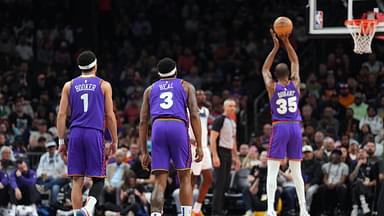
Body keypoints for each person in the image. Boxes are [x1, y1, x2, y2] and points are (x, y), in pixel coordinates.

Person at [139, 57, 203, 216]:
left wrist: (143, 152)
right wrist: (200, 144)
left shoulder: (150, 89)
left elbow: (142, 122)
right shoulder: (186, 86)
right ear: (175, 71)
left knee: (160, 181)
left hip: (158, 127)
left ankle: (155, 214)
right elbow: (194, 115)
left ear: (159, 74)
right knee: (185, 176)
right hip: (177, 126)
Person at [57, 51, 118, 216]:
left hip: (75, 133)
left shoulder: (68, 85)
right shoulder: (104, 85)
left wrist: (61, 141)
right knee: (99, 178)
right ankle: (88, 207)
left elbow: (61, 115)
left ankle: (78, 212)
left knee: (77, 180)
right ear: (95, 66)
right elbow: (110, 115)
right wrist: (114, 140)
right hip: (94, 133)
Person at [261, 29, 309, 216]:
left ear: (275, 74)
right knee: (297, 172)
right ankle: (303, 210)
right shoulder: (295, 83)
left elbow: (264, 69)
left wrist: (275, 48)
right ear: (289, 74)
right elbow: (295, 60)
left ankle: (270, 210)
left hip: (279, 127)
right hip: (295, 128)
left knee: (272, 171)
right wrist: (286, 42)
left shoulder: (272, 86)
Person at [210, 98, 241, 215]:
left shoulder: (232, 122)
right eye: (230, 106)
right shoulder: (219, 120)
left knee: (225, 184)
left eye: (234, 106)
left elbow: (233, 141)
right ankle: (215, 211)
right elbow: (212, 139)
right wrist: (215, 156)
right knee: (219, 183)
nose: (232, 108)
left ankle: (220, 209)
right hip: (220, 152)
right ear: (224, 107)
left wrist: (236, 157)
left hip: (228, 153)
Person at [189, 90, 213, 216]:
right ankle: (187, 210)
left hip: (204, 147)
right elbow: (181, 127)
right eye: (199, 94)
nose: (202, 96)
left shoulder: (205, 111)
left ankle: (197, 209)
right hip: (193, 147)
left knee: (208, 178)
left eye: (204, 94)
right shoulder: (187, 110)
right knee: (193, 178)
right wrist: (187, 139)